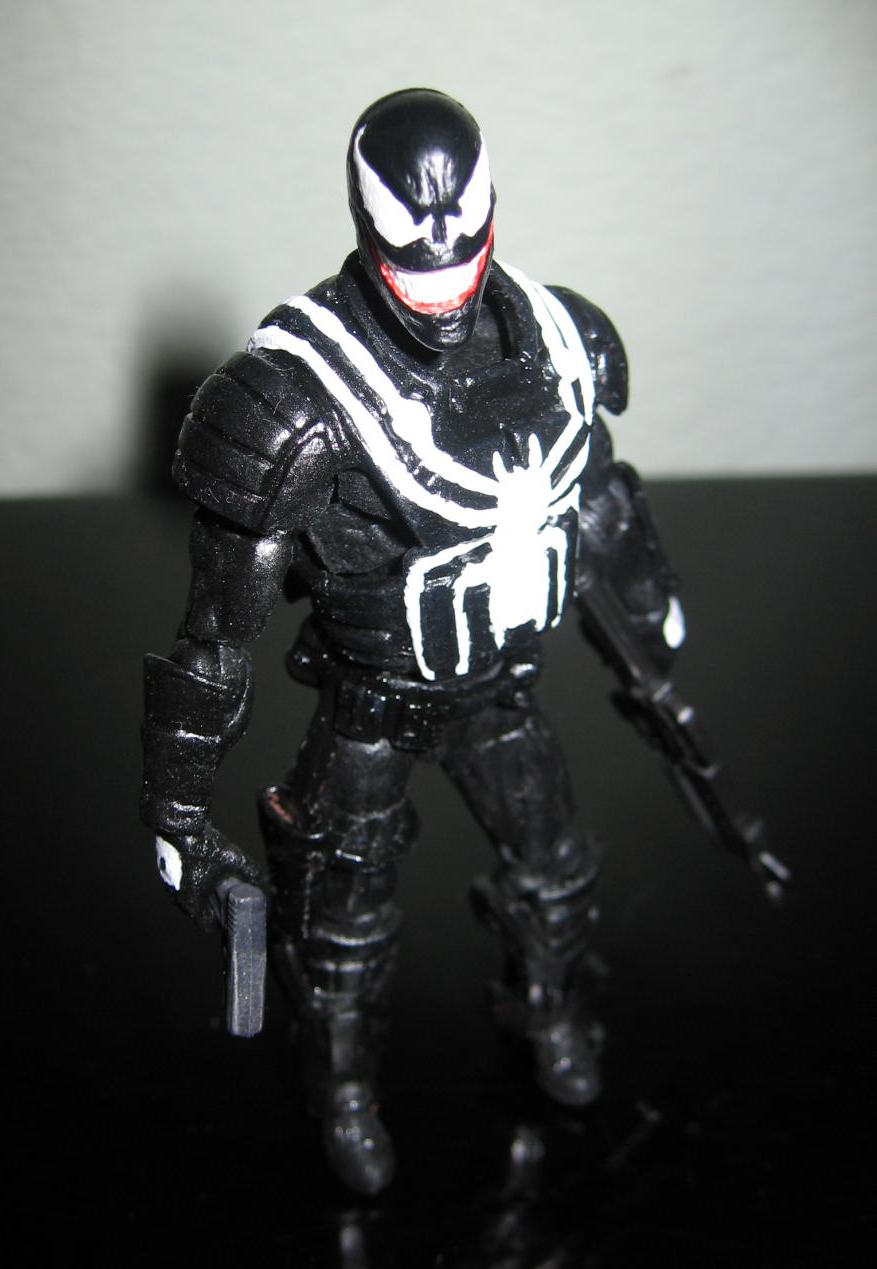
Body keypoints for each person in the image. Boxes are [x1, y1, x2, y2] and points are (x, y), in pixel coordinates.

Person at [141, 88, 688, 1195]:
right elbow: (213, 638)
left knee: (555, 870)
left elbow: (598, 497)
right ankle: (341, 1090)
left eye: (458, 259)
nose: (440, 288)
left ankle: (548, 1011)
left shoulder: (559, 341)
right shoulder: (296, 399)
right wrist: (178, 815)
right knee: (341, 928)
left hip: (496, 684)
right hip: (370, 703)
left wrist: (651, 615)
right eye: (413, 270)